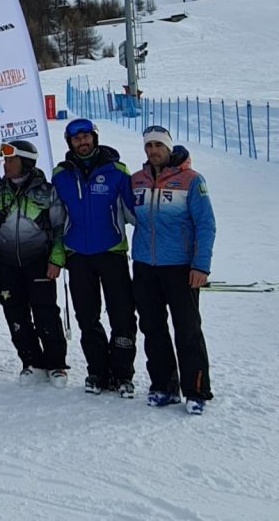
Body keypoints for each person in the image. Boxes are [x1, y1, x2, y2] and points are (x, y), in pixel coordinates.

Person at [131, 125, 216, 415]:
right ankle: (164, 386)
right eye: (148, 146)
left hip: (180, 267)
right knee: (152, 328)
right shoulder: (137, 180)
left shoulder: (191, 180)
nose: (153, 151)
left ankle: (196, 390)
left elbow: (206, 225)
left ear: (168, 148)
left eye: (158, 146)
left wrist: (201, 265)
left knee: (188, 330)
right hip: (145, 266)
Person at [52, 118, 138, 398]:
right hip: (78, 255)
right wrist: (57, 253)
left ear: (94, 138)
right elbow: (55, 220)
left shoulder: (117, 170)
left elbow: (137, 215)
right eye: (76, 139)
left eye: (87, 136)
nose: (82, 142)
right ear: (70, 142)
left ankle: (123, 373)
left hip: (112, 252)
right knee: (86, 317)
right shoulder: (62, 175)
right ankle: (97, 371)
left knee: (122, 316)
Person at [0, 140, 69, 387]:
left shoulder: (47, 192)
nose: (7, 165)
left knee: (45, 313)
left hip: (39, 263)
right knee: (15, 314)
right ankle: (31, 362)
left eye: (12, 160)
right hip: (6, 264)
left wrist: (56, 259)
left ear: (26, 162)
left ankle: (56, 365)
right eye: (5, 160)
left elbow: (59, 228)